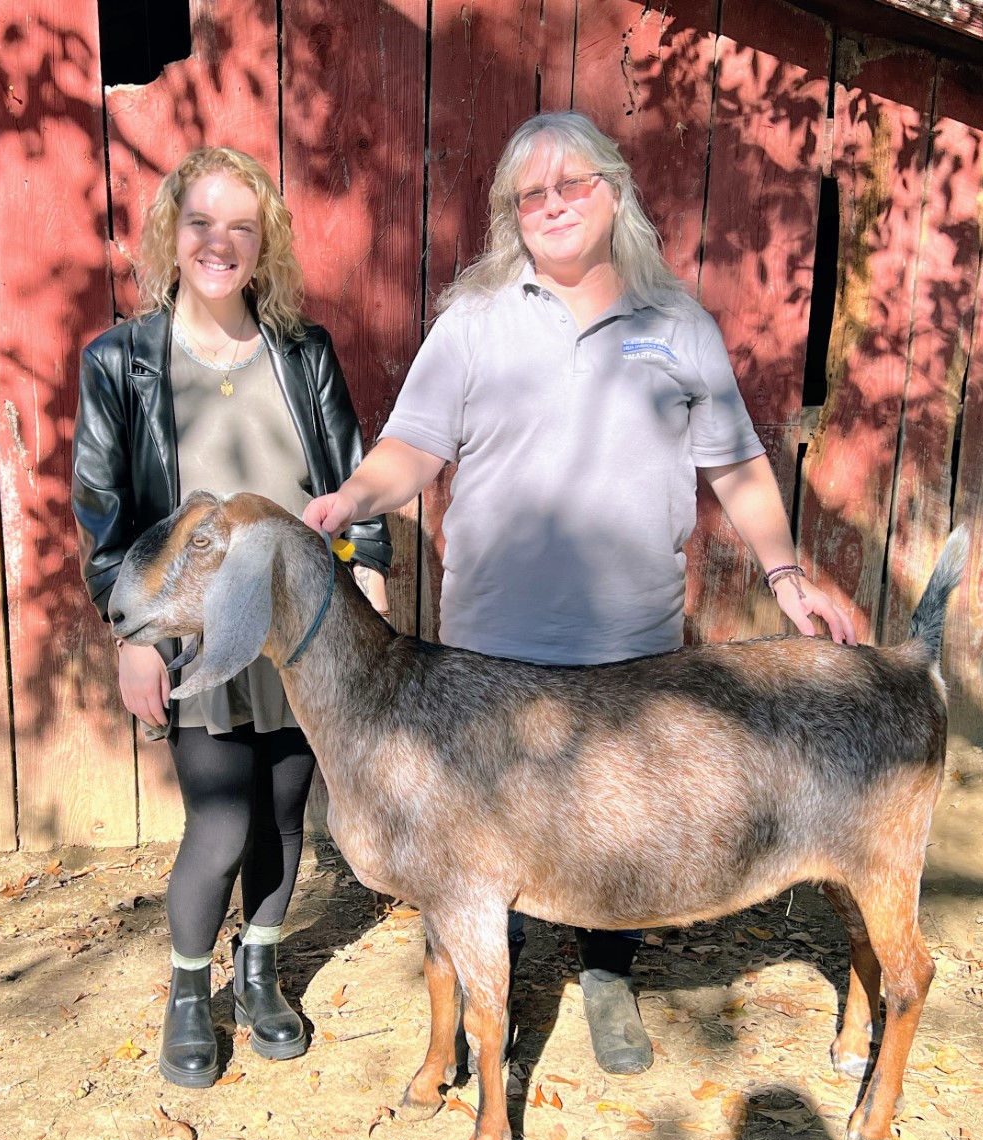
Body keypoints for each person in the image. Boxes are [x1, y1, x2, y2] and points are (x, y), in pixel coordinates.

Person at [303, 111, 854, 1076]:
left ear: (615, 192)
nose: (552, 204)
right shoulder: (472, 320)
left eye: (572, 185)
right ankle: (493, 989)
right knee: (485, 839)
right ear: (512, 215)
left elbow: (737, 468)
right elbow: (413, 449)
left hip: (630, 643)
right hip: (489, 657)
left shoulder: (675, 323)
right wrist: (355, 493)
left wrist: (786, 575)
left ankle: (607, 974)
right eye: (531, 193)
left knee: (618, 828)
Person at [72, 146, 392, 1089]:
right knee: (218, 824)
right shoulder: (122, 362)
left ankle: (259, 974)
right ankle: (186, 993)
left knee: (286, 819)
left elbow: (348, 480)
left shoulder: (302, 352)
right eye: (202, 223)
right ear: (172, 234)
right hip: (198, 637)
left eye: (241, 228)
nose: (220, 243)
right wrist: (132, 637)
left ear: (264, 246)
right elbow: (103, 514)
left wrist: (368, 574)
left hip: (302, 631)